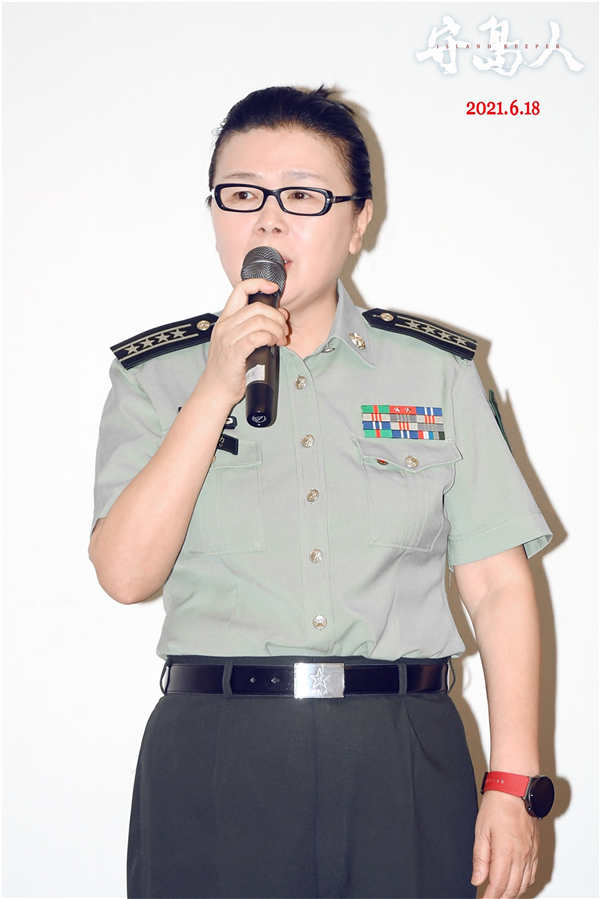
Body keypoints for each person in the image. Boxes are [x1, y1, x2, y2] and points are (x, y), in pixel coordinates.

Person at [88, 84, 554, 899]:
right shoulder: (154, 377)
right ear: (214, 211)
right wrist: (215, 387)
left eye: (301, 196)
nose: (267, 222)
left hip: (402, 752)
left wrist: (514, 785)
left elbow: (499, 586)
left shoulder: (437, 374)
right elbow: (125, 574)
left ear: (358, 220)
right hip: (218, 753)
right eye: (242, 195)